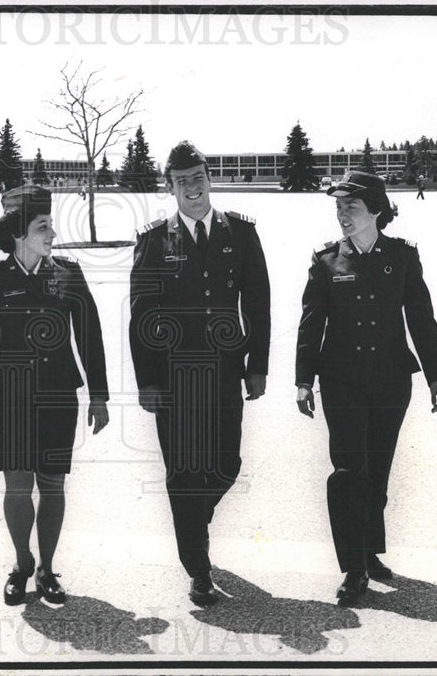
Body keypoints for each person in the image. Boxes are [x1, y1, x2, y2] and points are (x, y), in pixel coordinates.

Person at [295, 170, 437, 605]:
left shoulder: (401, 258)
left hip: (390, 381)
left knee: (376, 475)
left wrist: (436, 374)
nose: (342, 214)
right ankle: (354, 569)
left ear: (376, 210)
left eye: (351, 206)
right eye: (338, 207)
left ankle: (368, 553)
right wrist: (303, 380)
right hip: (341, 382)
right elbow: (311, 325)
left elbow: (421, 318)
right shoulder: (326, 261)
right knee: (348, 473)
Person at [129, 141, 271, 606]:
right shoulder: (153, 241)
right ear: (169, 187)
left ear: (210, 179)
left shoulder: (242, 235)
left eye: (198, 178)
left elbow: (258, 305)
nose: (192, 188)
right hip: (173, 380)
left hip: (226, 373)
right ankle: (198, 568)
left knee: (227, 464)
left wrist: (258, 366)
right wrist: (146, 380)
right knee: (184, 475)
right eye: (181, 181)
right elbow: (141, 316)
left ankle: (192, 520)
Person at [0, 185, 110, 606]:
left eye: (50, 224)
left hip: (57, 395)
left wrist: (99, 395)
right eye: (43, 226)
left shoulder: (67, 273)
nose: (52, 233)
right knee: (17, 486)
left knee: (52, 485)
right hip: (11, 395)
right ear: (19, 234)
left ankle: (47, 568)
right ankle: (22, 563)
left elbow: (90, 334)